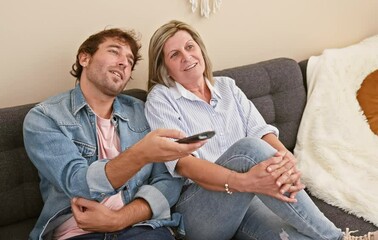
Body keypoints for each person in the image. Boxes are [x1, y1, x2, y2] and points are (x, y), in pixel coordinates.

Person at [145, 20, 378, 240]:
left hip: (247, 200)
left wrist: (287, 161)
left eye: (189, 47)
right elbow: (184, 163)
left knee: (296, 235)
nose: (187, 57)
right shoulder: (161, 99)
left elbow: (260, 130)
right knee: (250, 149)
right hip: (200, 211)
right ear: (165, 68)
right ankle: (339, 237)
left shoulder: (227, 87)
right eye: (175, 55)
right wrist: (245, 182)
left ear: (200, 49)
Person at [23, 28, 205, 240]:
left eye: (129, 60)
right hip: (78, 234)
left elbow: (168, 180)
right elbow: (78, 183)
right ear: (84, 58)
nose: (124, 62)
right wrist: (140, 154)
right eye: (114, 52)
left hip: (142, 228)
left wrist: (120, 218)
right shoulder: (45, 118)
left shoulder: (141, 111)